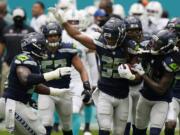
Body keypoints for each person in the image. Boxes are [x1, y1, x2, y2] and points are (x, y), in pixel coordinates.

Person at [49, 7, 140, 135]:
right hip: (105, 92)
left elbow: (140, 75)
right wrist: (63, 21)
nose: (109, 41)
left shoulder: (130, 47)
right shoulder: (100, 43)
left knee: (120, 132)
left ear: (121, 35)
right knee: (104, 128)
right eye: (107, 38)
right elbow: (76, 35)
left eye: (113, 38)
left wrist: (131, 76)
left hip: (123, 93)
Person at [0, 32, 72, 135]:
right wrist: (55, 74)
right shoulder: (24, 58)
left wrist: (57, 92)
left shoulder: (33, 61)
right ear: (33, 47)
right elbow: (26, 79)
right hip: (14, 104)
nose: (44, 49)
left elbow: (35, 86)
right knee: (40, 133)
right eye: (42, 46)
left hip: (18, 103)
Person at [39, 21, 92, 135]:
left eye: (55, 35)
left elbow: (82, 69)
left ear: (60, 36)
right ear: (45, 37)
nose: (53, 38)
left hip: (64, 91)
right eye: (50, 36)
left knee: (67, 126)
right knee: (46, 122)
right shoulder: (39, 51)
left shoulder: (68, 50)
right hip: (46, 91)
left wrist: (86, 85)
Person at [132, 29, 179, 135]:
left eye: (158, 43)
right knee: (138, 132)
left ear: (166, 47)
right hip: (145, 97)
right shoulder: (147, 49)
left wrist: (143, 74)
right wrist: (130, 75)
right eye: (154, 41)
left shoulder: (171, 61)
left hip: (161, 100)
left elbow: (160, 89)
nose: (153, 44)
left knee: (154, 132)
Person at [0, 7, 34, 95]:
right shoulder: (6, 30)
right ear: (13, 18)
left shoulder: (30, 30)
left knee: (25, 90)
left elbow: (35, 48)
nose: (18, 19)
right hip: (8, 65)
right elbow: (1, 47)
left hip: (25, 66)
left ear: (24, 18)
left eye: (20, 17)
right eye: (16, 17)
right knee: (4, 91)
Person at [164, 17, 180, 135]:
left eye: (173, 31)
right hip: (173, 94)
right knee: (170, 123)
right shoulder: (166, 48)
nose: (170, 34)